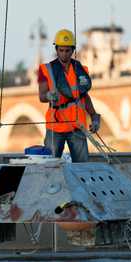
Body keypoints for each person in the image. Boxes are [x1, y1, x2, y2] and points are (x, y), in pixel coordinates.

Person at [38, 29, 100, 162]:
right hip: (55, 127)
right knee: (50, 166)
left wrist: (94, 117)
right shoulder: (46, 69)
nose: (64, 54)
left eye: (67, 50)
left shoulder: (81, 69)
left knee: (82, 168)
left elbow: (85, 96)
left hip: (77, 126)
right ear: (56, 49)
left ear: (73, 50)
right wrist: (48, 95)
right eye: (61, 50)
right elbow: (41, 96)